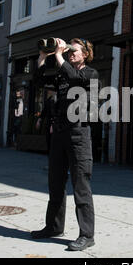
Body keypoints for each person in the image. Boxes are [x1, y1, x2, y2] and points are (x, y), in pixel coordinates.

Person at [31, 38, 98, 252]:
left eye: (74, 51)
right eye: (68, 50)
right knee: (55, 184)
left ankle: (87, 235)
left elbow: (74, 77)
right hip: (59, 133)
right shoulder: (63, 71)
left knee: (81, 186)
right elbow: (39, 81)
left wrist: (59, 55)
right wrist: (43, 57)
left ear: (86, 53)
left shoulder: (90, 74)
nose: (70, 53)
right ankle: (53, 227)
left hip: (79, 134)